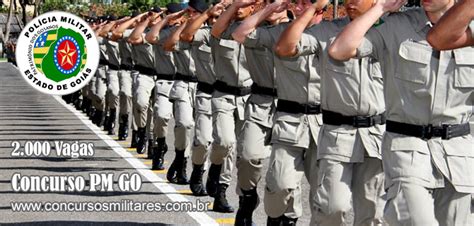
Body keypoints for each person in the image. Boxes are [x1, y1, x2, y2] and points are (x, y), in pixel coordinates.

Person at [328, 0, 474, 225]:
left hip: (458, 156)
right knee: (416, 220)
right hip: (407, 150)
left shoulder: (470, 31)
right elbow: (339, 50)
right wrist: (381, 8)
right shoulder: (396, 25)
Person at [275, 0, 388, 224]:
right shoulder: (327, 31)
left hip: (377, 136)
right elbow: (285, 48)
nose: (351, 2)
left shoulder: (392, 30)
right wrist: (312, 8)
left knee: (373, 214)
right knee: (331, 207)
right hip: (338, 134)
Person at [232, 0, 324, 224]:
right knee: (269, 172)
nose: (301, 7)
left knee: (325, 194)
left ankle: (287, 220)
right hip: (284, 114)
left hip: (322, 121)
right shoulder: (281, 33)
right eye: (299, 3)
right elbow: (240, 34)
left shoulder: (334, 33)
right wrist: (269, 9)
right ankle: (250, 198)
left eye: (308, 4)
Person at [207, 0, 257, 213]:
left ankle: (223, 191)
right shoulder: (223, 30)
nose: (240, 7)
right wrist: (233, 6)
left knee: (245, 154)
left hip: (249, 99)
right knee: (225, 142)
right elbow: (217, 29)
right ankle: (215, 169)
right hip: (224, 95)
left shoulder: (259, 33)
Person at [180, 0, 227, 196]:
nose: (216, 21)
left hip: (228, 96)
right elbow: (185, 35)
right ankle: (198, 169)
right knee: (202, 139)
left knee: (225, 144)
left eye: (219, 17)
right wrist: (206, 15)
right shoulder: (203, 34)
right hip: (206, 94)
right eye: (213, 18)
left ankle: (219, 182)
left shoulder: (235, 34)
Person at [144, 3, 187, 172]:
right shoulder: (163, 33)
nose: (172, 17)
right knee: (161, 116)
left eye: (175, 14)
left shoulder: (192, 32)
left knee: (185, 125)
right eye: (169, 14)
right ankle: (160, 146)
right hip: (165, 82)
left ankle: (181, 158)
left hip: (187, 83)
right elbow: (150, 38)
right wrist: (165, 20)